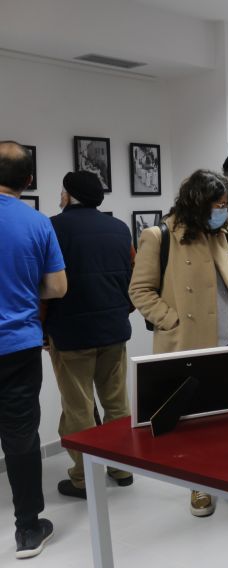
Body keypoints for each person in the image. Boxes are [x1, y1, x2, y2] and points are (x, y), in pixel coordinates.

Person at [130, 169, 228, 518]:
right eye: (217, 205)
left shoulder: (221, 234)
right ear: (196, 204)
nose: (223, 211)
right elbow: (139, 291)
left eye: (225, 205)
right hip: (188, 343)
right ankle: (199, 486)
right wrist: (171, 321)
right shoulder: (159, 236)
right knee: (192, 424)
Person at [45, 171, 134, 499]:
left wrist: (43, 331)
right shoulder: (119, 229)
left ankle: (84, 478)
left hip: (70, 333)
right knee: (117, 402)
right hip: (113, 331)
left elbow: (46, 287)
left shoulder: (52, 228)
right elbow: (131, 279)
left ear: (68, 194)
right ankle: (122, 467)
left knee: (78, 407)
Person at [0, 141, 66, 559]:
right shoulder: (38, 222)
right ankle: (28, 530)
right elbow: (58, 287)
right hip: (18, 344)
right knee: (21, 437)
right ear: (28, 180)